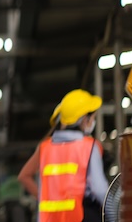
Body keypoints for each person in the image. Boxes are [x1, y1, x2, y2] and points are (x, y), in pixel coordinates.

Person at [18, 89, 108, 222]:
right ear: (84, 119)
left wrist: (45, 199)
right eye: (93, 117)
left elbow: (24, 176)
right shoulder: (88, 147)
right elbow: (100, 190)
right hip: (81, 216)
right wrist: (117, 211)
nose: (93, 121)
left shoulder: (45, 148)